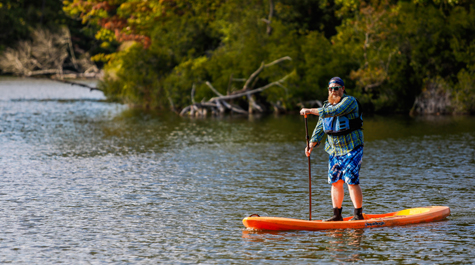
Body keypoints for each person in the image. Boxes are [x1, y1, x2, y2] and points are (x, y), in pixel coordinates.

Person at [300, 77, 364, 221]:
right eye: (331, 88)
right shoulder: (326, 106)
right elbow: (320, 127)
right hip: (334, 150)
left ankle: (358, 215)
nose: (333, 91)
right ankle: (337, 215)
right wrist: (311, 144)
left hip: (352, 148)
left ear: (343, 88)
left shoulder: (349, 101)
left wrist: (309, 110)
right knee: (335, 182)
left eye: (336, 88)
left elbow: (335, 111)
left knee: (351, 181)